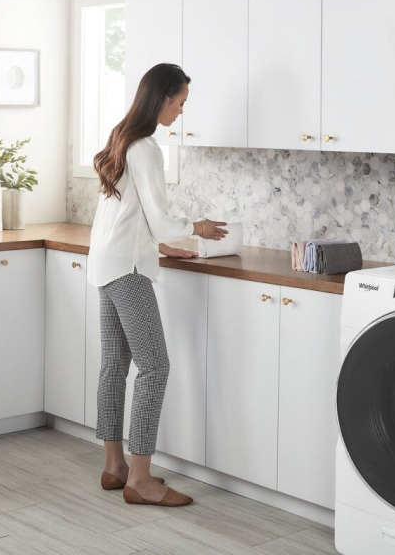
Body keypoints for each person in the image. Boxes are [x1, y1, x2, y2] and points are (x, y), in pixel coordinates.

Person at [87, 63, 227, 507]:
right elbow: (161, 218)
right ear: (163, 98)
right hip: (126, 268)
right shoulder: (146, 148)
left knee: (114, 366)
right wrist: (197, 227)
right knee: (155, 367)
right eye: (181, 102)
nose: (181, 112)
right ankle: (142, 480)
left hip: (106, 261)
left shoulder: (121, 136)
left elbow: (127, 214)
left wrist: (160, 248)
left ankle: (115, 467)